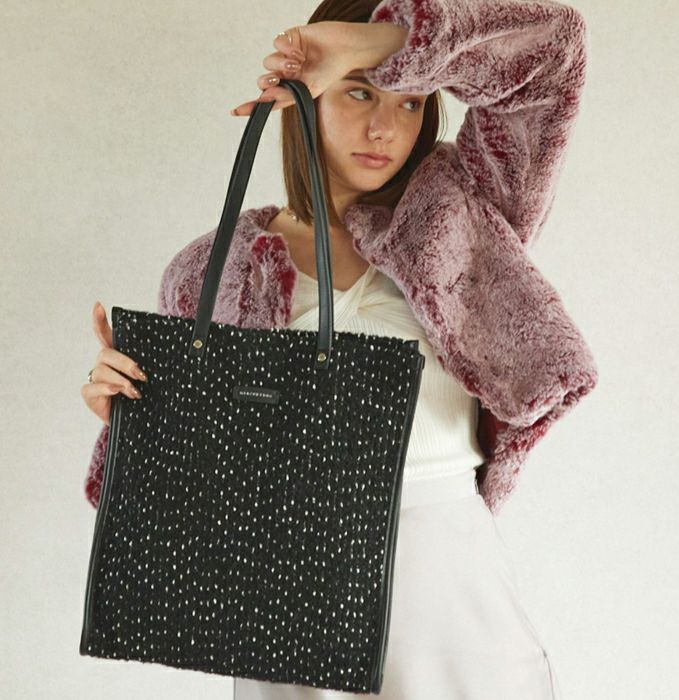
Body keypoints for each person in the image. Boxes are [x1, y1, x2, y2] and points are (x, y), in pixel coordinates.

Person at [81, 0, 597, 697]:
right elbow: (193, 497)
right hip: (283, 597)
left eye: (410, 101)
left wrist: (371, 46)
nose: (386, 127)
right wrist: (132, 415)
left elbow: (554, 51)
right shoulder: (213, 270)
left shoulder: (464, 214)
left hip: (445, 580)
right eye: (359, 93)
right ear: (308, 98)